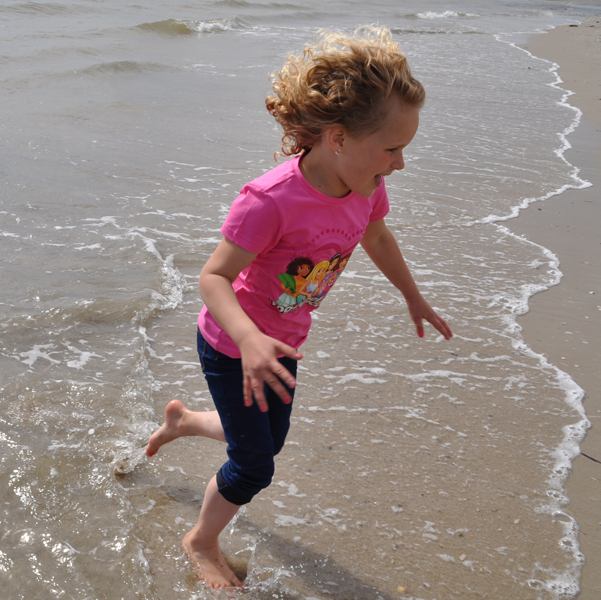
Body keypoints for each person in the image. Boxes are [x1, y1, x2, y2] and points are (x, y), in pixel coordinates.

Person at [144, 25, 452, 590]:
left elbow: (376, 236)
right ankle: (201, 541)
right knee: (254, 465)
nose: (400, 164)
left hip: (282, 342)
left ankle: (184, 422)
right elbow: (213, 278)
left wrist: (413, 295)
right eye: (392, 149)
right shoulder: (270, 201)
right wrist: (249, 340)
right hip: (233, 345)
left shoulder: (366, 184)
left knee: (266, 440)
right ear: (338, 138)